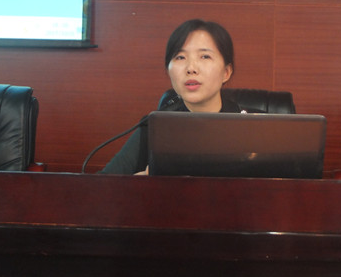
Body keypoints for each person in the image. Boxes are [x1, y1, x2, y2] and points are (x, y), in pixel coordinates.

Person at [100, 18, 253, 175]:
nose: (191, 68)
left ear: (226, 72)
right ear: (168, 71)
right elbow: (101, 184)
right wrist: (136, 185)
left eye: (205, 56)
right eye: (180, 57)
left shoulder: (254, 126)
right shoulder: (153, 128)